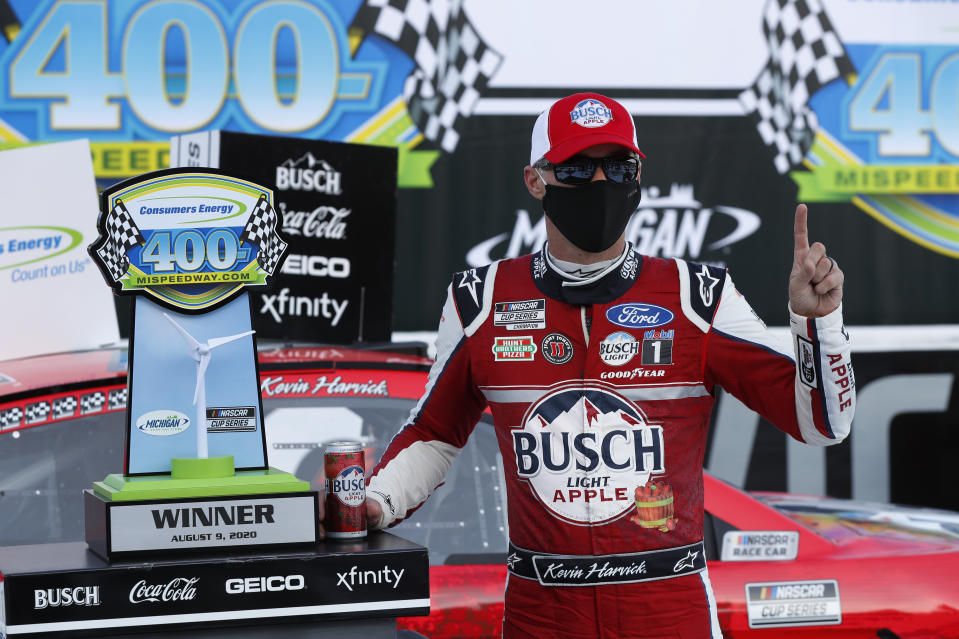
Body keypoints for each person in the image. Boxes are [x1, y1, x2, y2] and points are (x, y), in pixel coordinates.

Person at [333, 93, 855, 638]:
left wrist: (817, 322)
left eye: (619, 167)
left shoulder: (698, 295)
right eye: (579, 169)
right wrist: (375, 502)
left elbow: (822, 423)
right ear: (536, 181)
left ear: (638, 178)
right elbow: (436, 434)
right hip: (544, 614)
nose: (601, 183)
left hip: (668, 611)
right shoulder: (479, 301)